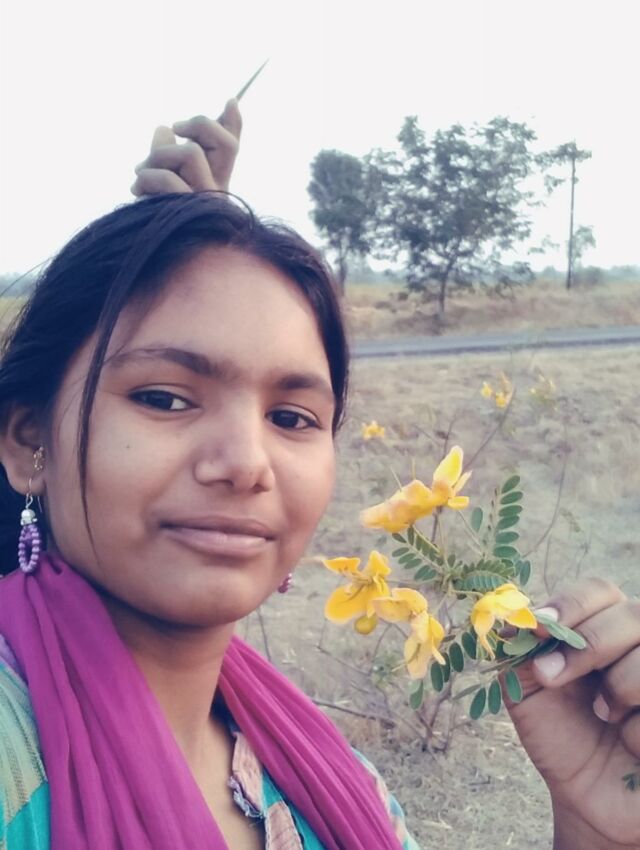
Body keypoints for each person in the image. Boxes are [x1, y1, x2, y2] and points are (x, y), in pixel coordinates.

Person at [0, 107, 637, 850]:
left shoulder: (338, 785)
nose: (247, 463)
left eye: (292, 417)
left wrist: (594, 831)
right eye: (165, 398)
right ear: (27, 438)